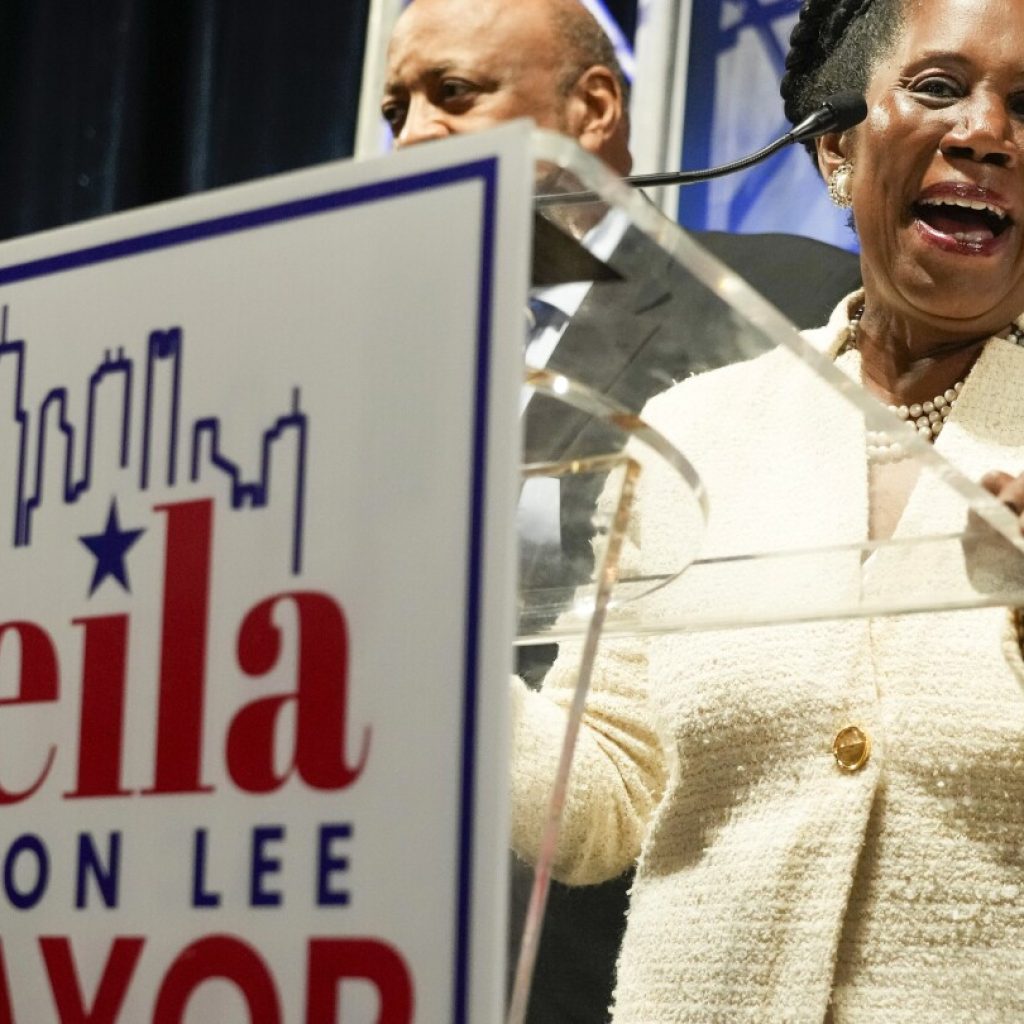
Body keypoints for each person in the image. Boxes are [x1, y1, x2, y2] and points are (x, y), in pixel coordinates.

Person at [511, 0, 1024, 1020]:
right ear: (837, 149)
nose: (984, 133)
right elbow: (596, 803)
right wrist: (400, 660)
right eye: (936, 89)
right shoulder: (694, 431)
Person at [384, 3, 864, 1024]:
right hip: (377, 915)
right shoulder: (380, 366)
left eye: (452, 95)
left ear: (593, 106)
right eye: (395, 108)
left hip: (607, 944)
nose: (411, 136)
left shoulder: (774, 300)